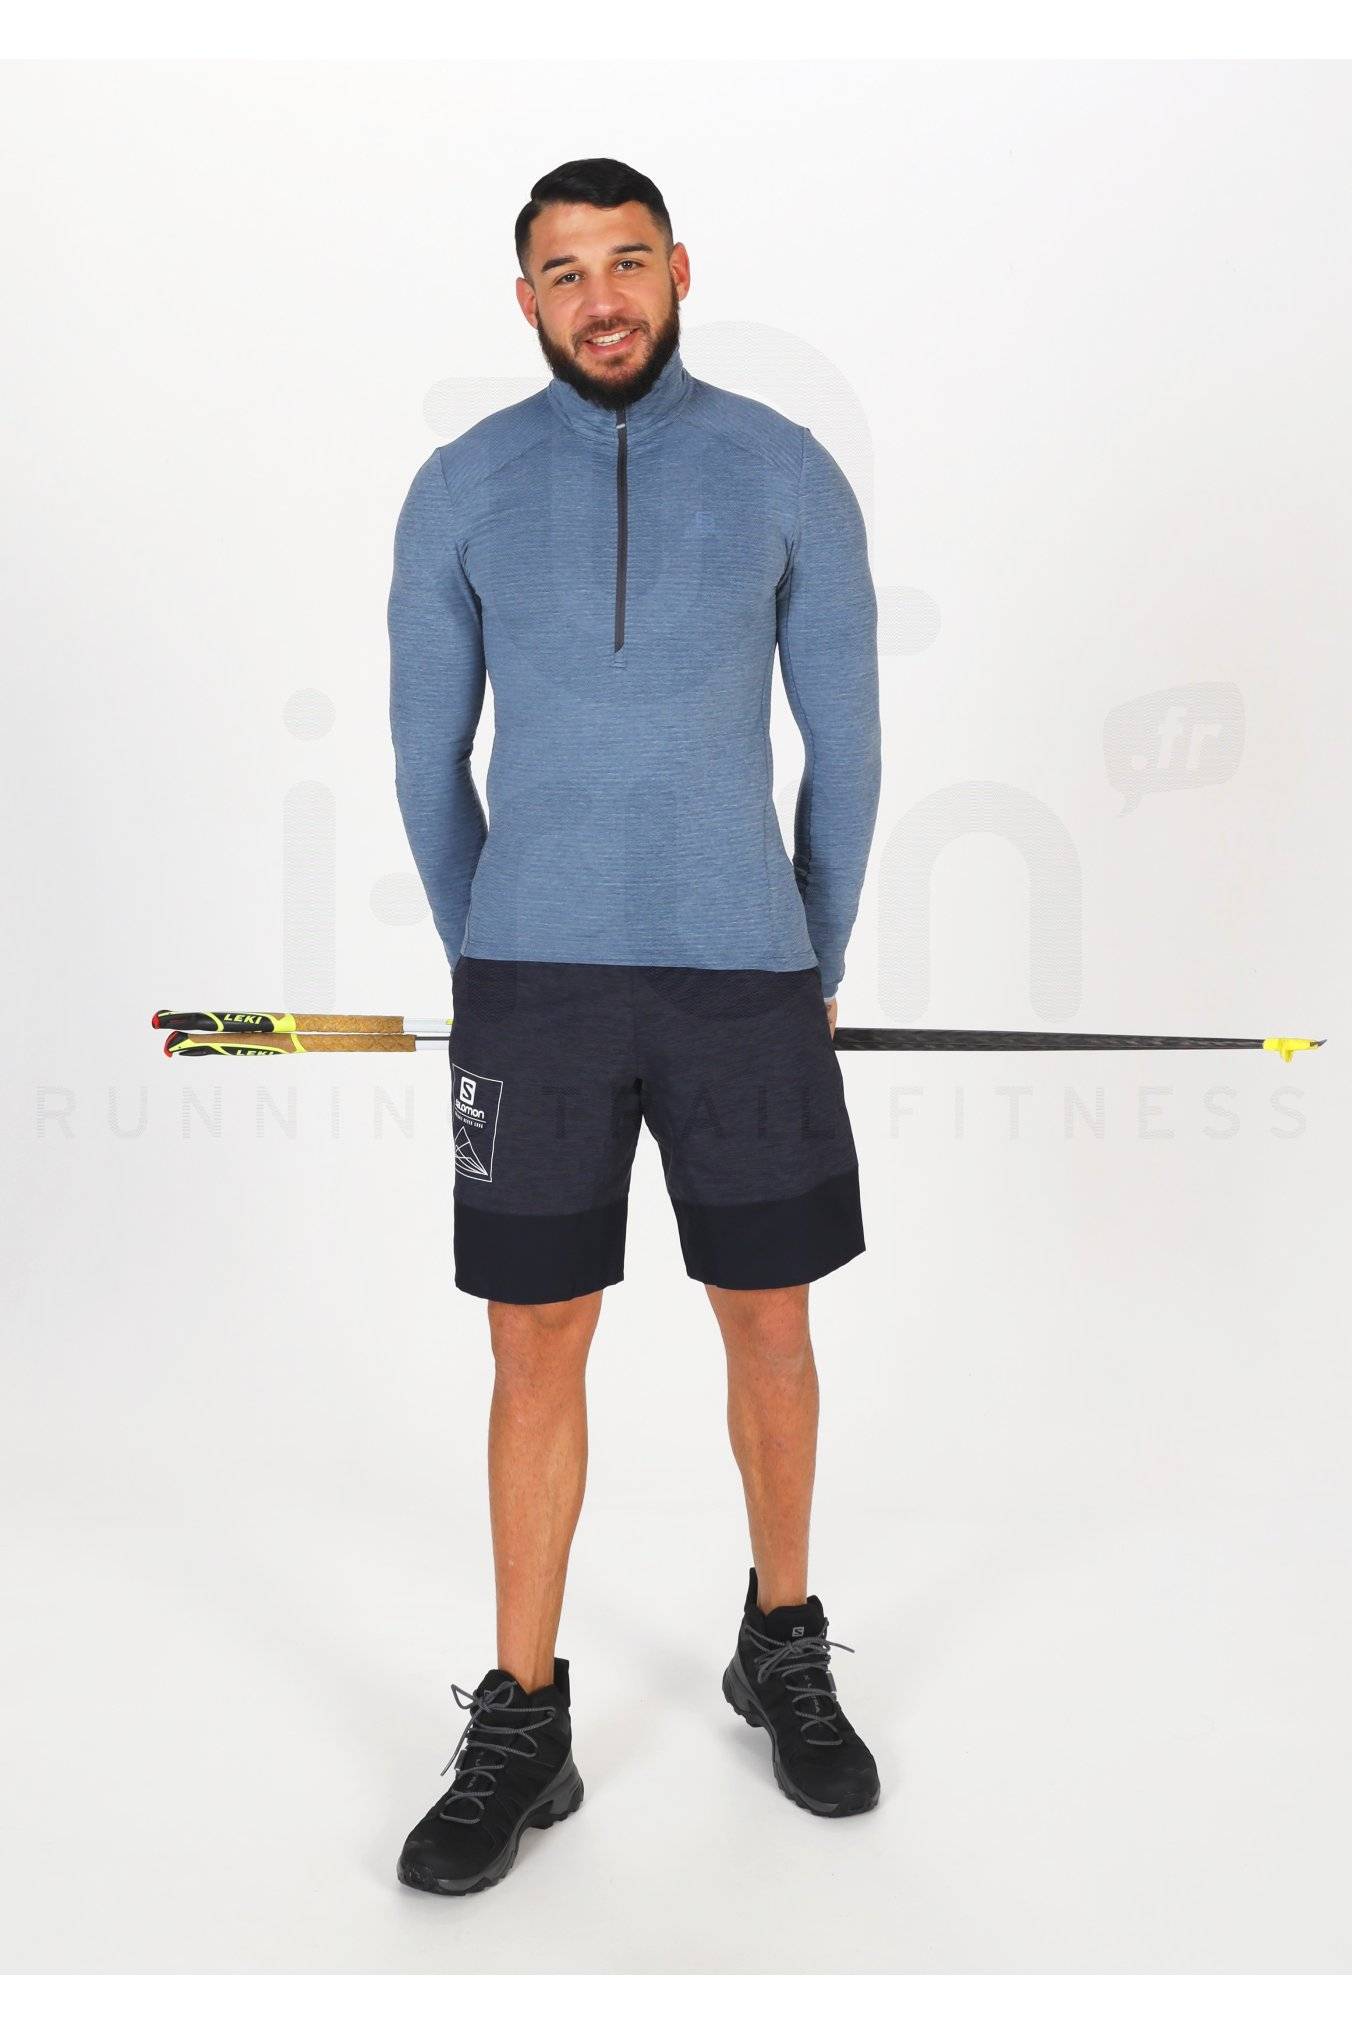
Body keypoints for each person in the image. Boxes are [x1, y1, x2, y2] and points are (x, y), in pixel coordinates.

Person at [388, 158, 883, 1896]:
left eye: (625, 261)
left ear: (679, 268)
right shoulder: (459, 487)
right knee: (535, 1343)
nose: (600, 297)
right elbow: (425, 759)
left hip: (746, 976)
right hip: (531, 985)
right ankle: (523, 1717)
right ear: (524, 297)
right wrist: (496, 948)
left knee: (772, 1322)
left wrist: (807, 946)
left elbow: (848, 746)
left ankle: (781, 1636)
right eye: (564, 271)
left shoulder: (784, 470)